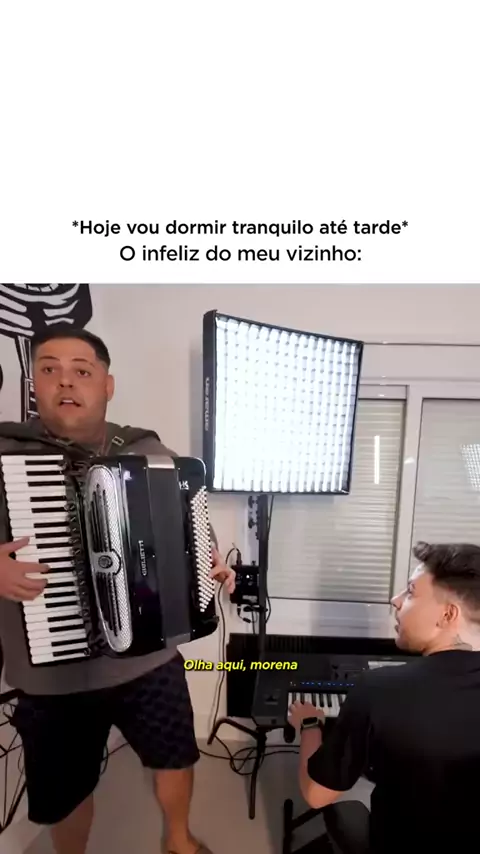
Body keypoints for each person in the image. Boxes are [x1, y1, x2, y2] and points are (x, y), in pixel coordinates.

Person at [0, 327, 236, 854]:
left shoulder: (148, 450)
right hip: (52, 675)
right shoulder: (6, 453)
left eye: (82, 371)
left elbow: (191, 527)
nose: (66, 381)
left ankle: (178, 839)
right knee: (66, 789)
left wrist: (211, 560)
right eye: (49, 369)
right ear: (34, 383)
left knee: (174, 755)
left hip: (147, 661)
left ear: (107, 385)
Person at [288, 541, 480, 854]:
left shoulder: (379, 689)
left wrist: (310, 724)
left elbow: (316, 795)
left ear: (447, 614)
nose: (396, 600)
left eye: (411, 592)